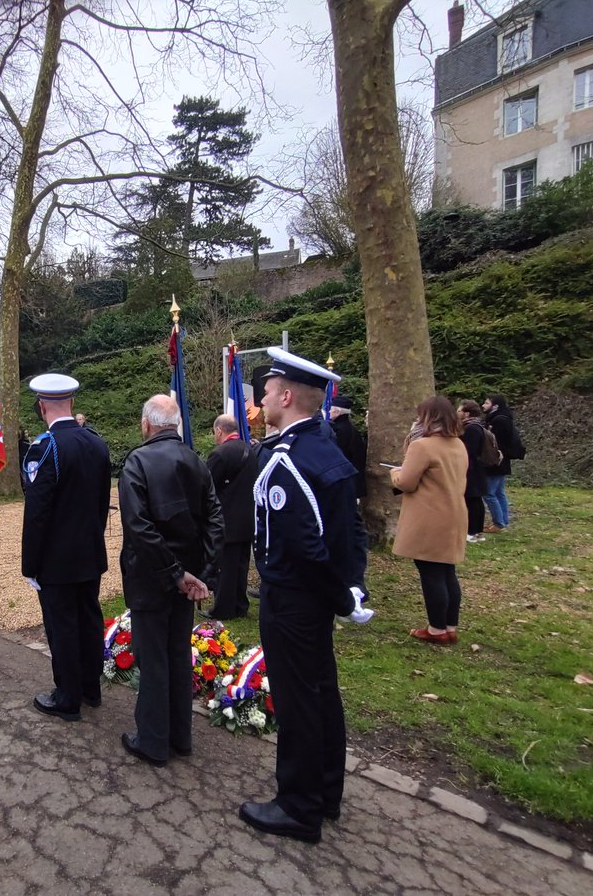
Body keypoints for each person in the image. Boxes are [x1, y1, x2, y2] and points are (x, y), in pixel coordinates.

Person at [239, 348, 367, 845]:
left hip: (293, 598)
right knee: (321, 694)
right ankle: (325, 793)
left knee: (297, 704)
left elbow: (308, 547)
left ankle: (298, 806)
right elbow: (351, 531)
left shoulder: (285, 461)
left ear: (287, 397)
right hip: (315, 598)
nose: (262, 399)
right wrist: (353, 588)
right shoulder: (326, 447)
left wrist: (340, 595)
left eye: (267, 392)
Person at [118, 395, 223, 766]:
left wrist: (178, 575)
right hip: (186, 577)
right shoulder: (196, 460)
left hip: (154, 578)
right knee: (178, 653)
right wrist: (201, 574)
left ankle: (153, 739)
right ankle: (180, 735)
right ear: (174, 424)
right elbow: (215, 520)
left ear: (147, 424)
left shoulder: (137, 462)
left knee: (155, 658)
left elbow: (138, 527)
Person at [22, 373, 111, 722]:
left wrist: (30, 564)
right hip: (90, 551)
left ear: (42, 406)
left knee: (62, 626)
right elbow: (103, 502)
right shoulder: (96, 442)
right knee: (89, 620)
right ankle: (91, 688)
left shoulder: (45, 449)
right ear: (71, 403)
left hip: (57, 559)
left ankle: (67, 696)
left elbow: (38, 512)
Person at [391, 397, 469, 645]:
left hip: (429, 515)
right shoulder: (458, 444)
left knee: (430, 571)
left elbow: (406, 481)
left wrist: (394, 472)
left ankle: (436, 629)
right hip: (454, 512)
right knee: (447, 571)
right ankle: (449, 625)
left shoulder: (422, 446)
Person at [205, 413, 258, 620]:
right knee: (241, 565)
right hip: (248, 518)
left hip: (226, 520)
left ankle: (223, 608)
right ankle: (240, 604)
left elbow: (208, 487)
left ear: (219, 430)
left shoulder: (220, 454)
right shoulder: (250, 450)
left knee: (225, 567)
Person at [482, 394, 516, 532]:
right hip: (502, 461)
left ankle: (498, 523)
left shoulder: (498, 421)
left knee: (489, 493)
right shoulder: (505, 418)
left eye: (486, 402)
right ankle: (503, 520)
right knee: (498, 492)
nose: (483, 405)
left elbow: (495, 444)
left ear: (495, 406)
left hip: (495, 461)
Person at [458, 400, 489, 543]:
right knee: (474, 500)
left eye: (459, 411)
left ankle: (473, 531)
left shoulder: (471, 429)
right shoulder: (477, 426)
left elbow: (468, 451)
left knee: (472, 500)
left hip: (472, 470)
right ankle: (476, 531)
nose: (457, 413)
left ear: (467, 413)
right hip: (475, 469)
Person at [329, 395, 367, 500]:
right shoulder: (351, 429)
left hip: (343, 481)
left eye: (331, 410)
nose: (329, 412)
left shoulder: (337, 431)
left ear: (337, 412)